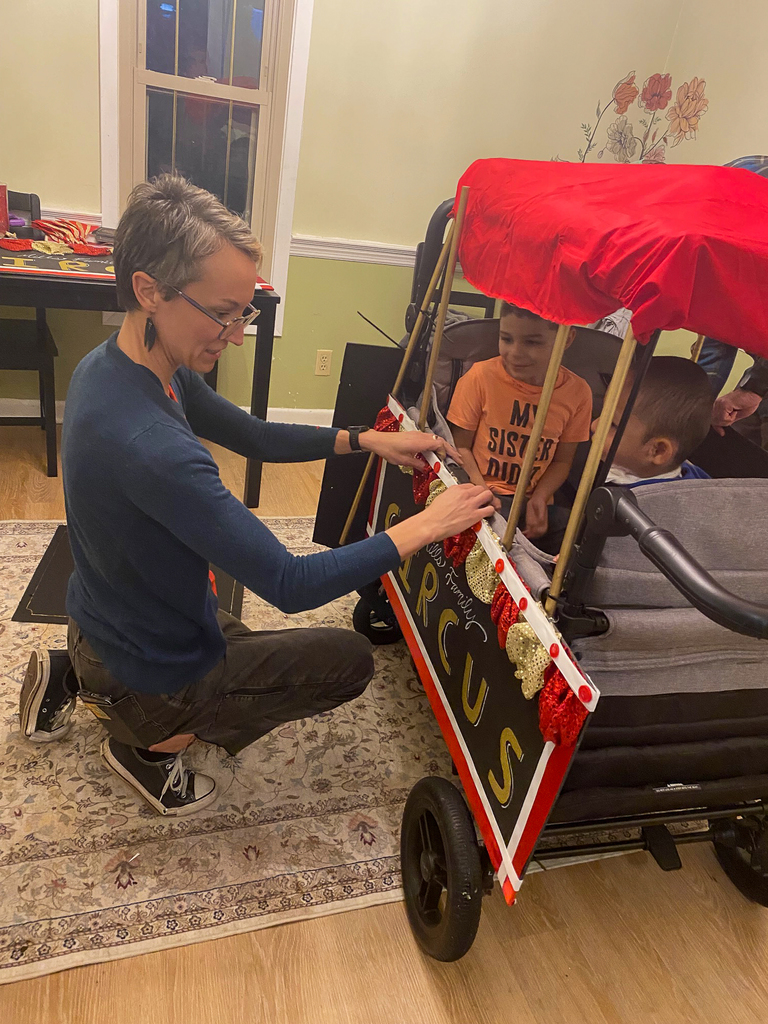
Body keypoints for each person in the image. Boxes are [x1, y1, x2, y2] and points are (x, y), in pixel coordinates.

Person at [18, 174, 496, 816]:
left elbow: (254, 435)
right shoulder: (155, 446)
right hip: (146, 672)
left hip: (97, 618)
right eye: (220, 313)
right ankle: (146, 745)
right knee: (348, 660)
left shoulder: (115, 366)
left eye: (243, 311)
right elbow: (290, 584)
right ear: (148, 290)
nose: (235, 333)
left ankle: (76, 672)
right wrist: (427, 526)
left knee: (216, 612)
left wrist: (366, 440)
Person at [446, 302, 592, 551]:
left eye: (532, 342)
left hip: (534, 501)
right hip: (483, 490)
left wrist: (540, 496)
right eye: (506, 339)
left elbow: (562, 461)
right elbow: (461, 447)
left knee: (581, 534)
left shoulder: (578, 393)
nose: (515, 352)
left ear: (567, 340)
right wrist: (481, 491)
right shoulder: (479, 377)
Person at [601, 356, 712, 487]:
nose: (594, 425)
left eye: (613, 425)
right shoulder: (688, 471)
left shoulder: (637, 504)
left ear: (658, 450)